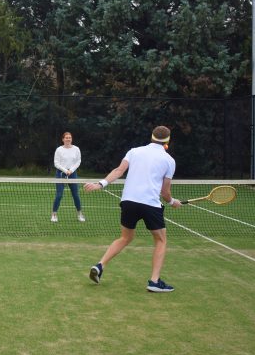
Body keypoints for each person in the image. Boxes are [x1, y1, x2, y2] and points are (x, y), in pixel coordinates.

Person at [83, 125, 182, 293]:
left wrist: (100, 184)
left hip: (128, 202)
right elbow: (165, 192)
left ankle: (100, 265)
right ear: (167, 141)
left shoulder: (134, 151)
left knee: (125, 237)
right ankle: (154, 281)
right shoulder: (169, 160)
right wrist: (172, 202)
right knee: (161, 240)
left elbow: (118, 170)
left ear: (151, 137)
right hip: (150, 204)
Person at [51, 131, 85, 223]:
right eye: (66, 137)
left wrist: (71, 170)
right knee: (59, 195)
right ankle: (54, 214)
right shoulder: (59, 150)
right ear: (63, 139)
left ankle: (80, 214)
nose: (68, 139)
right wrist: (66, 171)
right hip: (60, 174)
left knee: (76, 195)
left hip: (72, 174)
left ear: (71, 139)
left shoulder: (76, 149)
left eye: (69, 137)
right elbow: (56, 163)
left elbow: (78, 161)